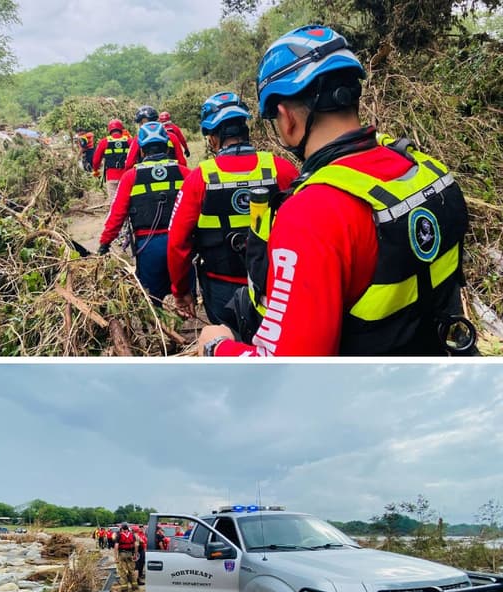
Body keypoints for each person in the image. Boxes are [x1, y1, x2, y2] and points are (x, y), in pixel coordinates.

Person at [199, 24, 473, 356]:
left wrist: (216, 347)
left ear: (286, 118)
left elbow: (287, 371)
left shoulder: (311, 213)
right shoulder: (426, 170)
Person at [167, 92, 298, 325]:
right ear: (245, 129)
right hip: (274, 286)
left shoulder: (199, 179)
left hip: (221, 286)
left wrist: (181, 291)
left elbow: (178, 242)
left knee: (228, 348)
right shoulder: (281, 168)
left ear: (213, 138)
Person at [98, 122, 189, 304]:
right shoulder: (185, 173)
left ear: (141, 150)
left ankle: (161, 330)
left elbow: (117, 214)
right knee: (186, 296)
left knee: (153, 299)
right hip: (181, 245)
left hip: (148, 245)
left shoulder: (131, 177)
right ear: (166, 146)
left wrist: (105, 242)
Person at [91, 119, 131, 200]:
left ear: (109, 130)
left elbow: (96, 160)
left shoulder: (104, 142)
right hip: (126, 176)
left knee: (114, 202)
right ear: (121, 129)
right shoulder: (129, 140)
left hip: (112, 177)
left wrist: (95, 170)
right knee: (128, 200)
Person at [114, 523, 141, 591]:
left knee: (122, 571)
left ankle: (124, 588)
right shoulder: (132, 535)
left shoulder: (119, 535)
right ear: (128, 529)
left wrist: (116, 557)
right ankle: (135, 587)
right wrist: (135, 554)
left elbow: (116, 547)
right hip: (130, 554)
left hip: (122, 554)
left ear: (122, 529)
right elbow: (136, 545)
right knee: (131, 570)